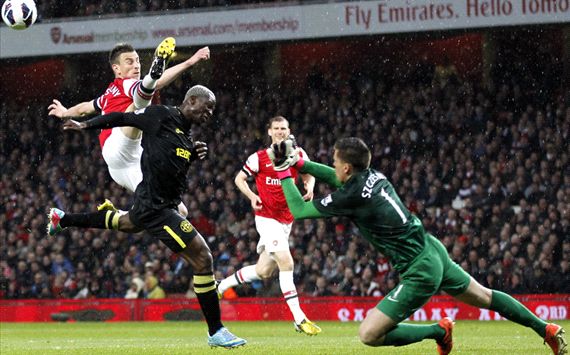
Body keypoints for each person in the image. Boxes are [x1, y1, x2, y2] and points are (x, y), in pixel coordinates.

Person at [269, 137, 567, 355]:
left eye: (335, 162)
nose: (333, 166)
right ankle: (546, 328)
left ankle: (438, 331)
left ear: (347, 167)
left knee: (369, 334)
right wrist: (300, 163)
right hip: (431, 248)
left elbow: (299, 211)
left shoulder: (351, 195)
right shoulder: (373, 175)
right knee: (485, 296)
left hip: (419, 268)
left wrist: (283, 170)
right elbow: (336, 178)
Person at [47, 85, 246, 349]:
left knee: (126, 223)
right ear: (192, 100)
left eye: (212, 109)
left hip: (155, 203)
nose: (209, 113)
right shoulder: (160, 115)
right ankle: (216, 330)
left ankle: (63, 219)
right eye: (206, 107)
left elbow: (170, 166)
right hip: (157, 208)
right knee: (203, 258)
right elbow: (121, 117)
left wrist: (193, 154)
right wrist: (86, 126)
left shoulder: (185, 136)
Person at [48, 39, 210, 217]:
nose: (136, 65)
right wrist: (190, 61)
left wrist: (64, 112)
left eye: (138, 61)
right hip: (119, 144)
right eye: (130, 62)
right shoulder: (127, 84)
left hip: (124, 166)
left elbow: (84, 108)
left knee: (179, 212)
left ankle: (113, 217)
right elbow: (159, 84)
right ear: (116, 69)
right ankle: (153, 74)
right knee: (138, 105)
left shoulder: (108, 94)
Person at [216, 116, 321, 336]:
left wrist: (309, 187)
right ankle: (299, 318)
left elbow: (309, 174)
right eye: (276, 128)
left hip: (286, 220)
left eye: (284, 128)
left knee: (264, 271)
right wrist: (252, 195)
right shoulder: (259, 158)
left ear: (288, 130)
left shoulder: (297, 154)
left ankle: (222, 286)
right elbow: (239, 179)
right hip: (266, 217)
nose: (280, 132)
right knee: (286, 261)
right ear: (269, 132)